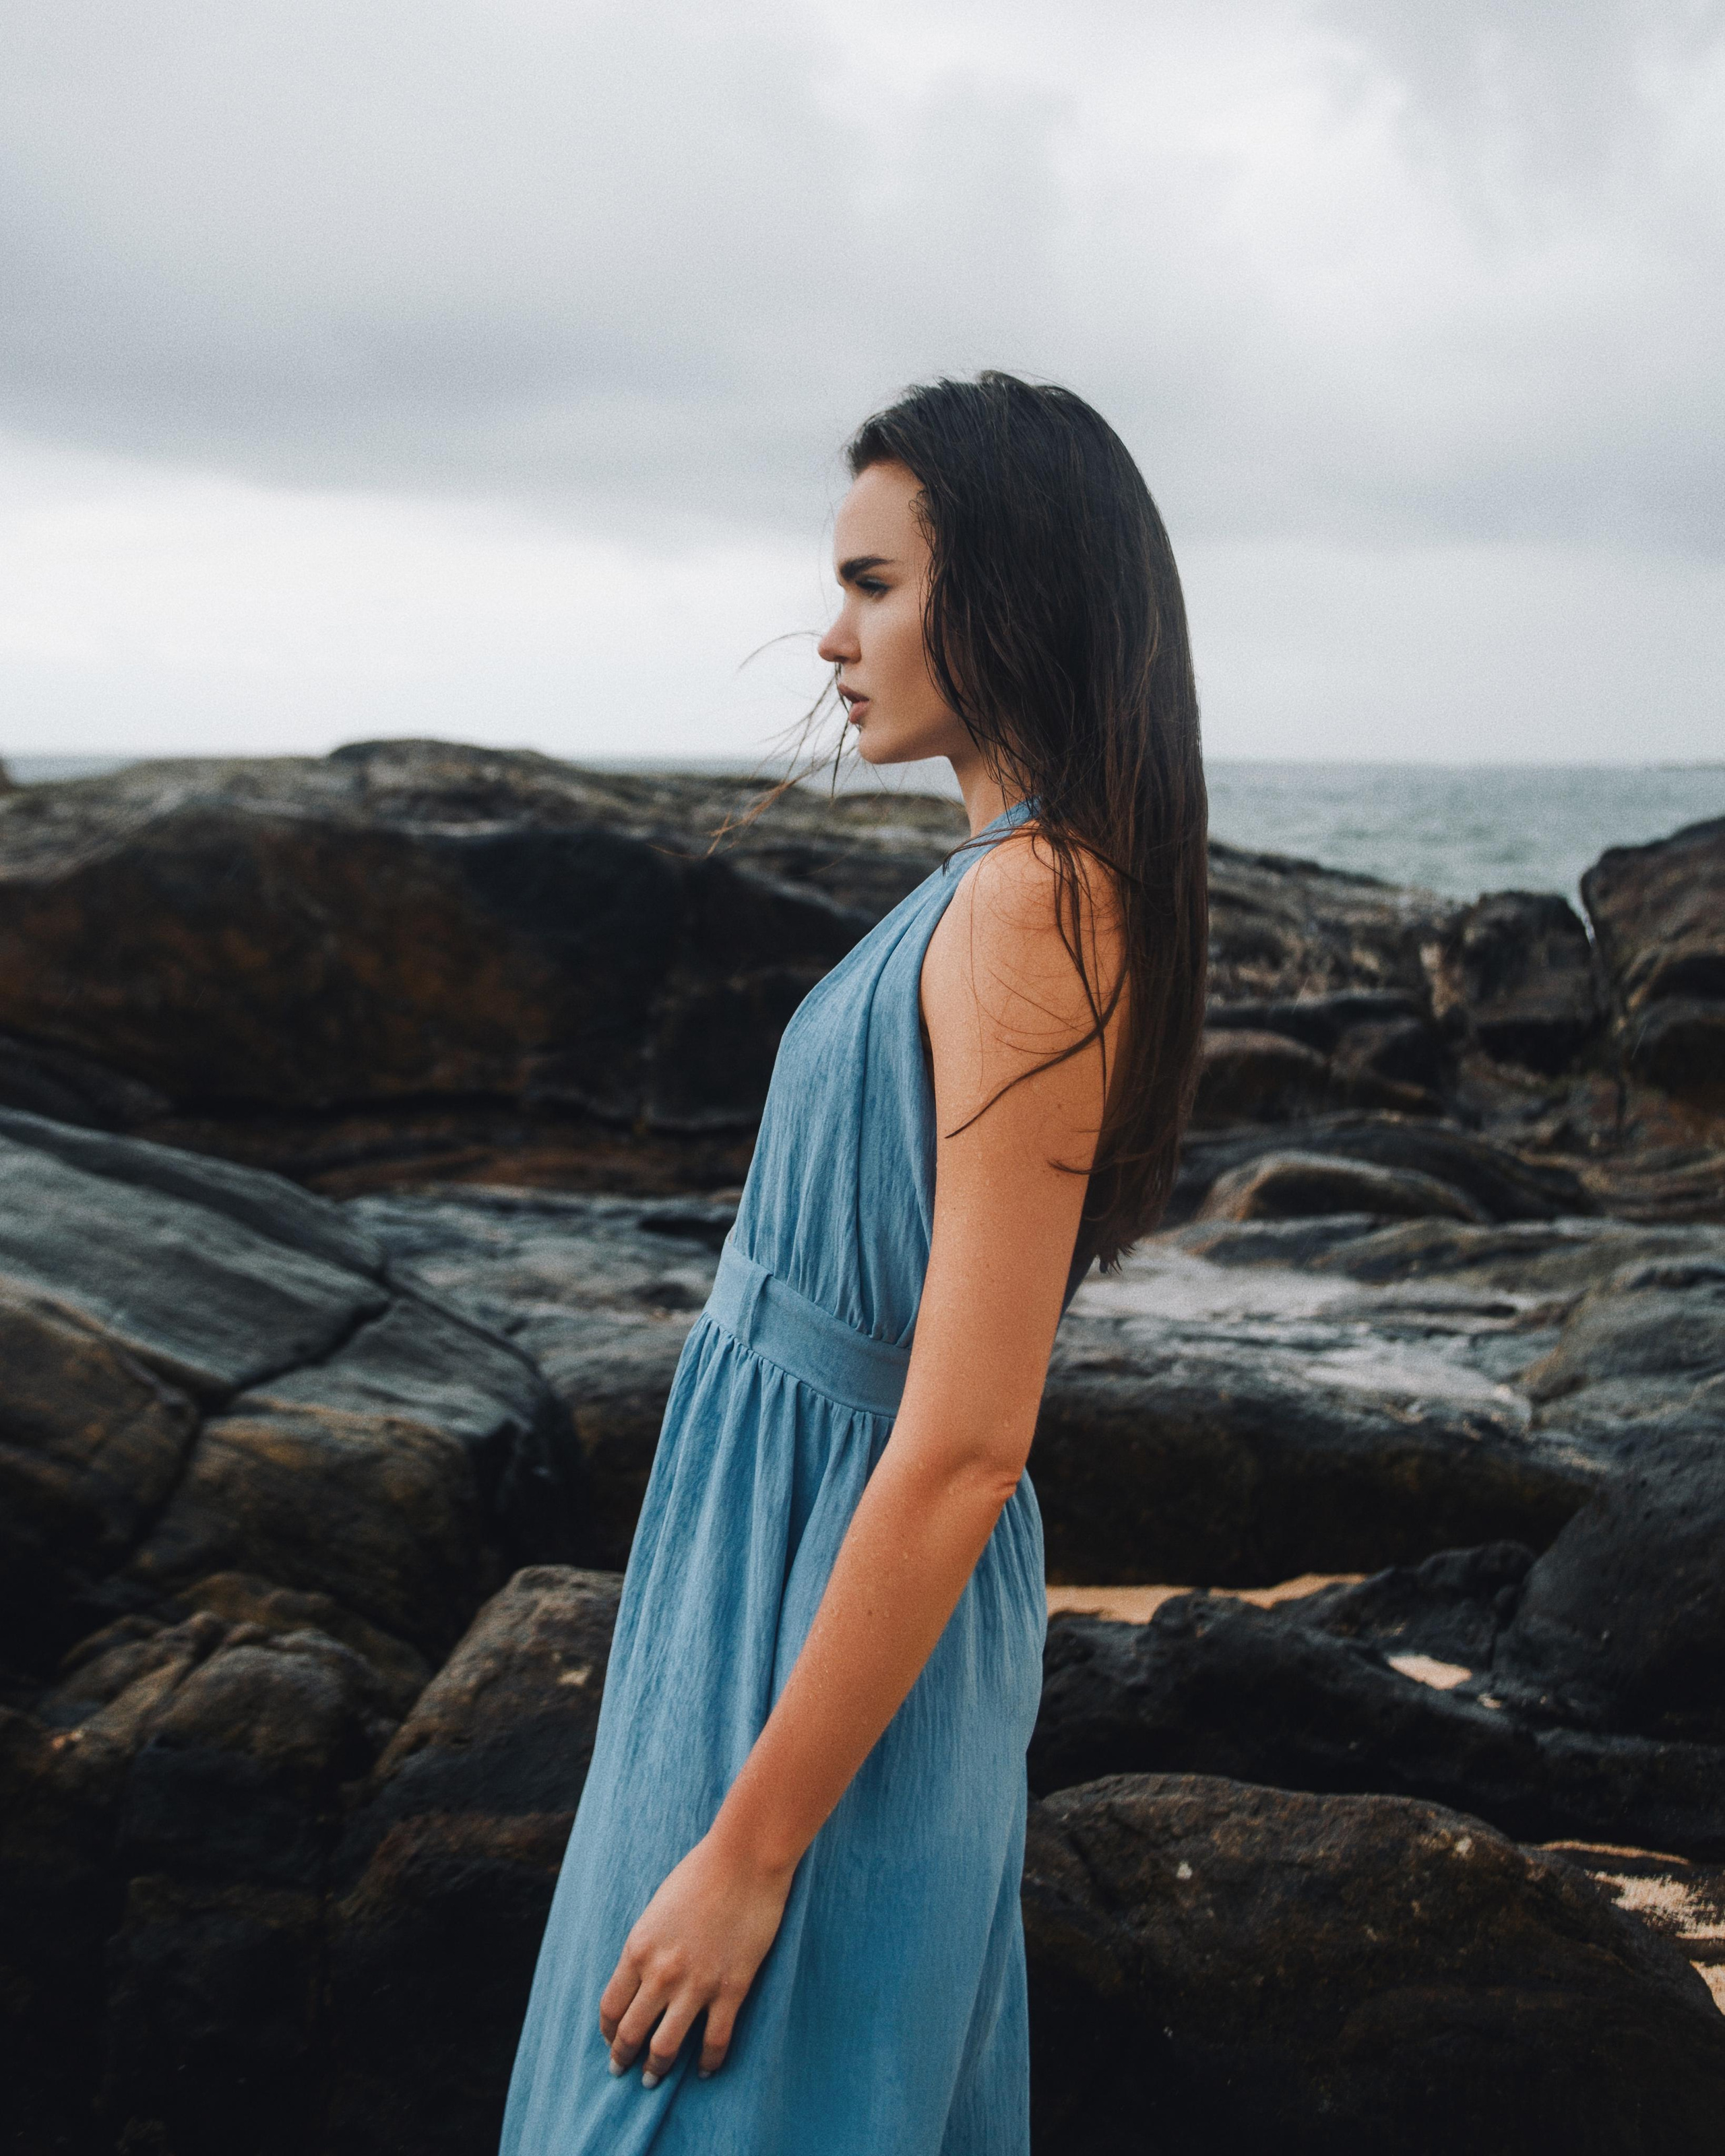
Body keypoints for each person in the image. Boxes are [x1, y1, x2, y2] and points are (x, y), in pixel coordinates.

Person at [499, 371, 1208, 2155]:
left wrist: (750, 1852)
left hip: (819, 1607)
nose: (830, 638)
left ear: (1010, 592)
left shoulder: (1035, 905)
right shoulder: (995, 887)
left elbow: (969, 1438)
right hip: (752, 1578)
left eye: (875, 584)